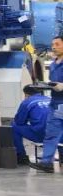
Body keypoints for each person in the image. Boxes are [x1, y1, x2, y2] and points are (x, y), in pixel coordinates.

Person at [33, 36, 63, 173]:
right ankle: (46, 163)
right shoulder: (53, 65)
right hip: (55, 104)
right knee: (51, 134)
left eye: (57, 44)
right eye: (52, 44)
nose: (54, 47)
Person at [12, 85, 53, 167]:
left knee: (14, 125)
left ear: (26, 94)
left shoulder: (27, 102)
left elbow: (19, 121)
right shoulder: (51, 99)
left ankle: (21, 157)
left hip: (42, 135)